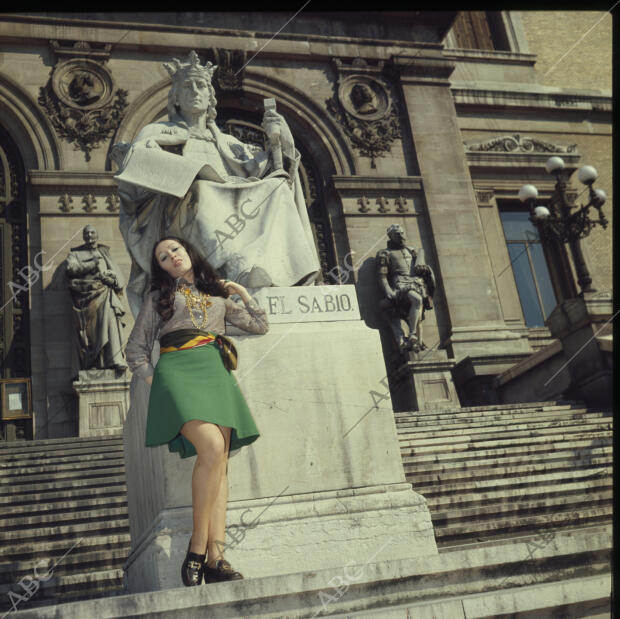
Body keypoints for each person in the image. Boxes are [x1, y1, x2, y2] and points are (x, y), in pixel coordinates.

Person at [113, 50, 320, 319]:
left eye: (201, 86)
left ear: (211, 97)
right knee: (201, 189)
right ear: (175, 97)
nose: (195, 91)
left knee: (277, 187)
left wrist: (278, 141)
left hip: (231, 196)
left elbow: (271, 169)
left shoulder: (225, 141)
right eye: (187, 86)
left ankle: (272, 268)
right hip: (180, 207)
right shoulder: (157, 132)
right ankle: (234, 267)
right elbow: (137, 173)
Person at [124, 235, 269, 587]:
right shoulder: (158, 298)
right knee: (213, 449)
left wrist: (243, 294)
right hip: (177, 374)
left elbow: (260, 326)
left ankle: (216, 559)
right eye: (162, 256)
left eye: (174, 249)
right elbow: (135, 351)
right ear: (159, 268)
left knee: (219, 466)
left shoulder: (218, 297)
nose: (171, 256)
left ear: (189, 252)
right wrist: (156, 383)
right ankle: (197, 549)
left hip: (216, 374)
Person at [65, 224, 127, 378]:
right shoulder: (76, 254)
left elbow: (119, 280)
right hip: (86, 300)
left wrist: (110, 278)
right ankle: (94, 362)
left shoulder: (104, 253)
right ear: (83, 236)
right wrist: (92, 263)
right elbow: (71, 269)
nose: (90, 236)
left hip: (105, 294)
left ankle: (115, 359)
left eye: (93, 232)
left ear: (97, 235)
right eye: (87, 233)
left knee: (112, 323)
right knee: (91, 334)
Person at [376, 224, 436, 354]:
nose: (402, 236)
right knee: (417, 300)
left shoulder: (412, 250)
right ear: (391, 237)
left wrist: (424, 269)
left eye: (402, 233)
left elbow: (422, 268)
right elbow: (382, 276)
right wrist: (388, 290)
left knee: (419, 314)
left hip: (416, 282)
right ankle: (413, 334)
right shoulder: (385, 253)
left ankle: (418, 343)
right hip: (401, 283)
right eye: (398, 234)